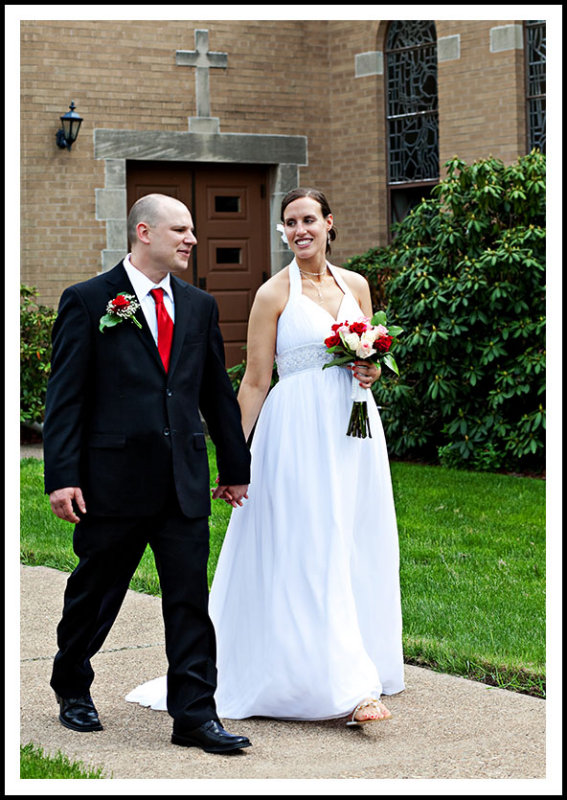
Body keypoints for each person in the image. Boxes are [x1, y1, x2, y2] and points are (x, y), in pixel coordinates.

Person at [126, 187, 405, 726]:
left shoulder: (357, 286)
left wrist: (371, 371)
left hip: (355, 428)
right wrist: (235, 457)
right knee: (311, 541)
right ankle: (342, 685)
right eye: (289, 223)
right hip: (297, 430)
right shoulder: (272, 294)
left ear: (329, 223)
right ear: (284, 231)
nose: (299, 230)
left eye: (308, 220)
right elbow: (254, 382)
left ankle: (366, 659)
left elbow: (370, 356)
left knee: (356, 534)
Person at [43, 193, 253, 754]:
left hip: (182, 481)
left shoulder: (199, 306)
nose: (191, 239)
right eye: (180, 230)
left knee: (189, 601)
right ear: (144, 232)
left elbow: (215, 393)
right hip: (112, 481)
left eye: (192, 231)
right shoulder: (89, 301)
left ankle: (194, 716)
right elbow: (65, 398)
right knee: (96, 592)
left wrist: (234, 466)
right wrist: (62, 475)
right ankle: (73, 687)